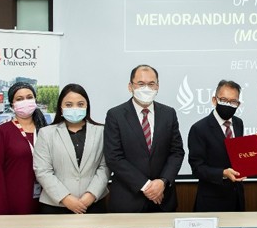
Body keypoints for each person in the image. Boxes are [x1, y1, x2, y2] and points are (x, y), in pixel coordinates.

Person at [103, 64, 185, 212]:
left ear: (157, 86)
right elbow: (114, 157)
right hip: (128, 201)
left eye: (151, 84)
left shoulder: (169, 114)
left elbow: (177, 152)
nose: (146, 88)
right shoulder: (115, 115)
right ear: (130, 86)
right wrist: (147, 186)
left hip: (163, 199)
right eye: (141, 84)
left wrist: (162, 182)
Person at [33, 84, 110, 214]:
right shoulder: (46, 133)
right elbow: (42, 171)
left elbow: (105, 167)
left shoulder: (102, 132)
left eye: (80, 104)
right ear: (61, 108)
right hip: (55, 206)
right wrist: (66, 199)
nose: (75, 108)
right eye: (69, 105)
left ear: (87, 107)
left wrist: (90, 196)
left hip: (94, 204)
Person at [0, 82, 47, 215]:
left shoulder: (46, 130)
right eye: (19, 99)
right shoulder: (1, 133)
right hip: (14, 203)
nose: (25, 101)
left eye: (29, 97)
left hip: (47, 202)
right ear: (12, 105)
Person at [187, 80, 246, 212]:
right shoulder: (199, 128)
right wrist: (223, 173)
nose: (228, 105)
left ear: (238, 104)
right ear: (214, 100)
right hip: (211, 201)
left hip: (237, 198)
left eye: (233, 102)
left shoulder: (238, 123)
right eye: (224, 100)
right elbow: (197, 167)